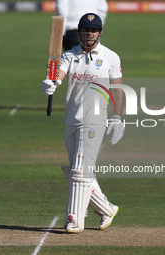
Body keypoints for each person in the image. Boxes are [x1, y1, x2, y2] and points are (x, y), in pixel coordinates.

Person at [41, 13, 125, 233]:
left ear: (100, 32)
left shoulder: (110, 57)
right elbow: (59, 75)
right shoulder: (70, 55)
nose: (89, 35)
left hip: (95, 120)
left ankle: (74, 220)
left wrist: (117, 117)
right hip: (72, 120)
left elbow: (117, 88)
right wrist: (52, 84)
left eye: (93, 31)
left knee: (79, 171)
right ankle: (106, 208)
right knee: (80, 172)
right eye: (85, 31)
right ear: (79, 32)